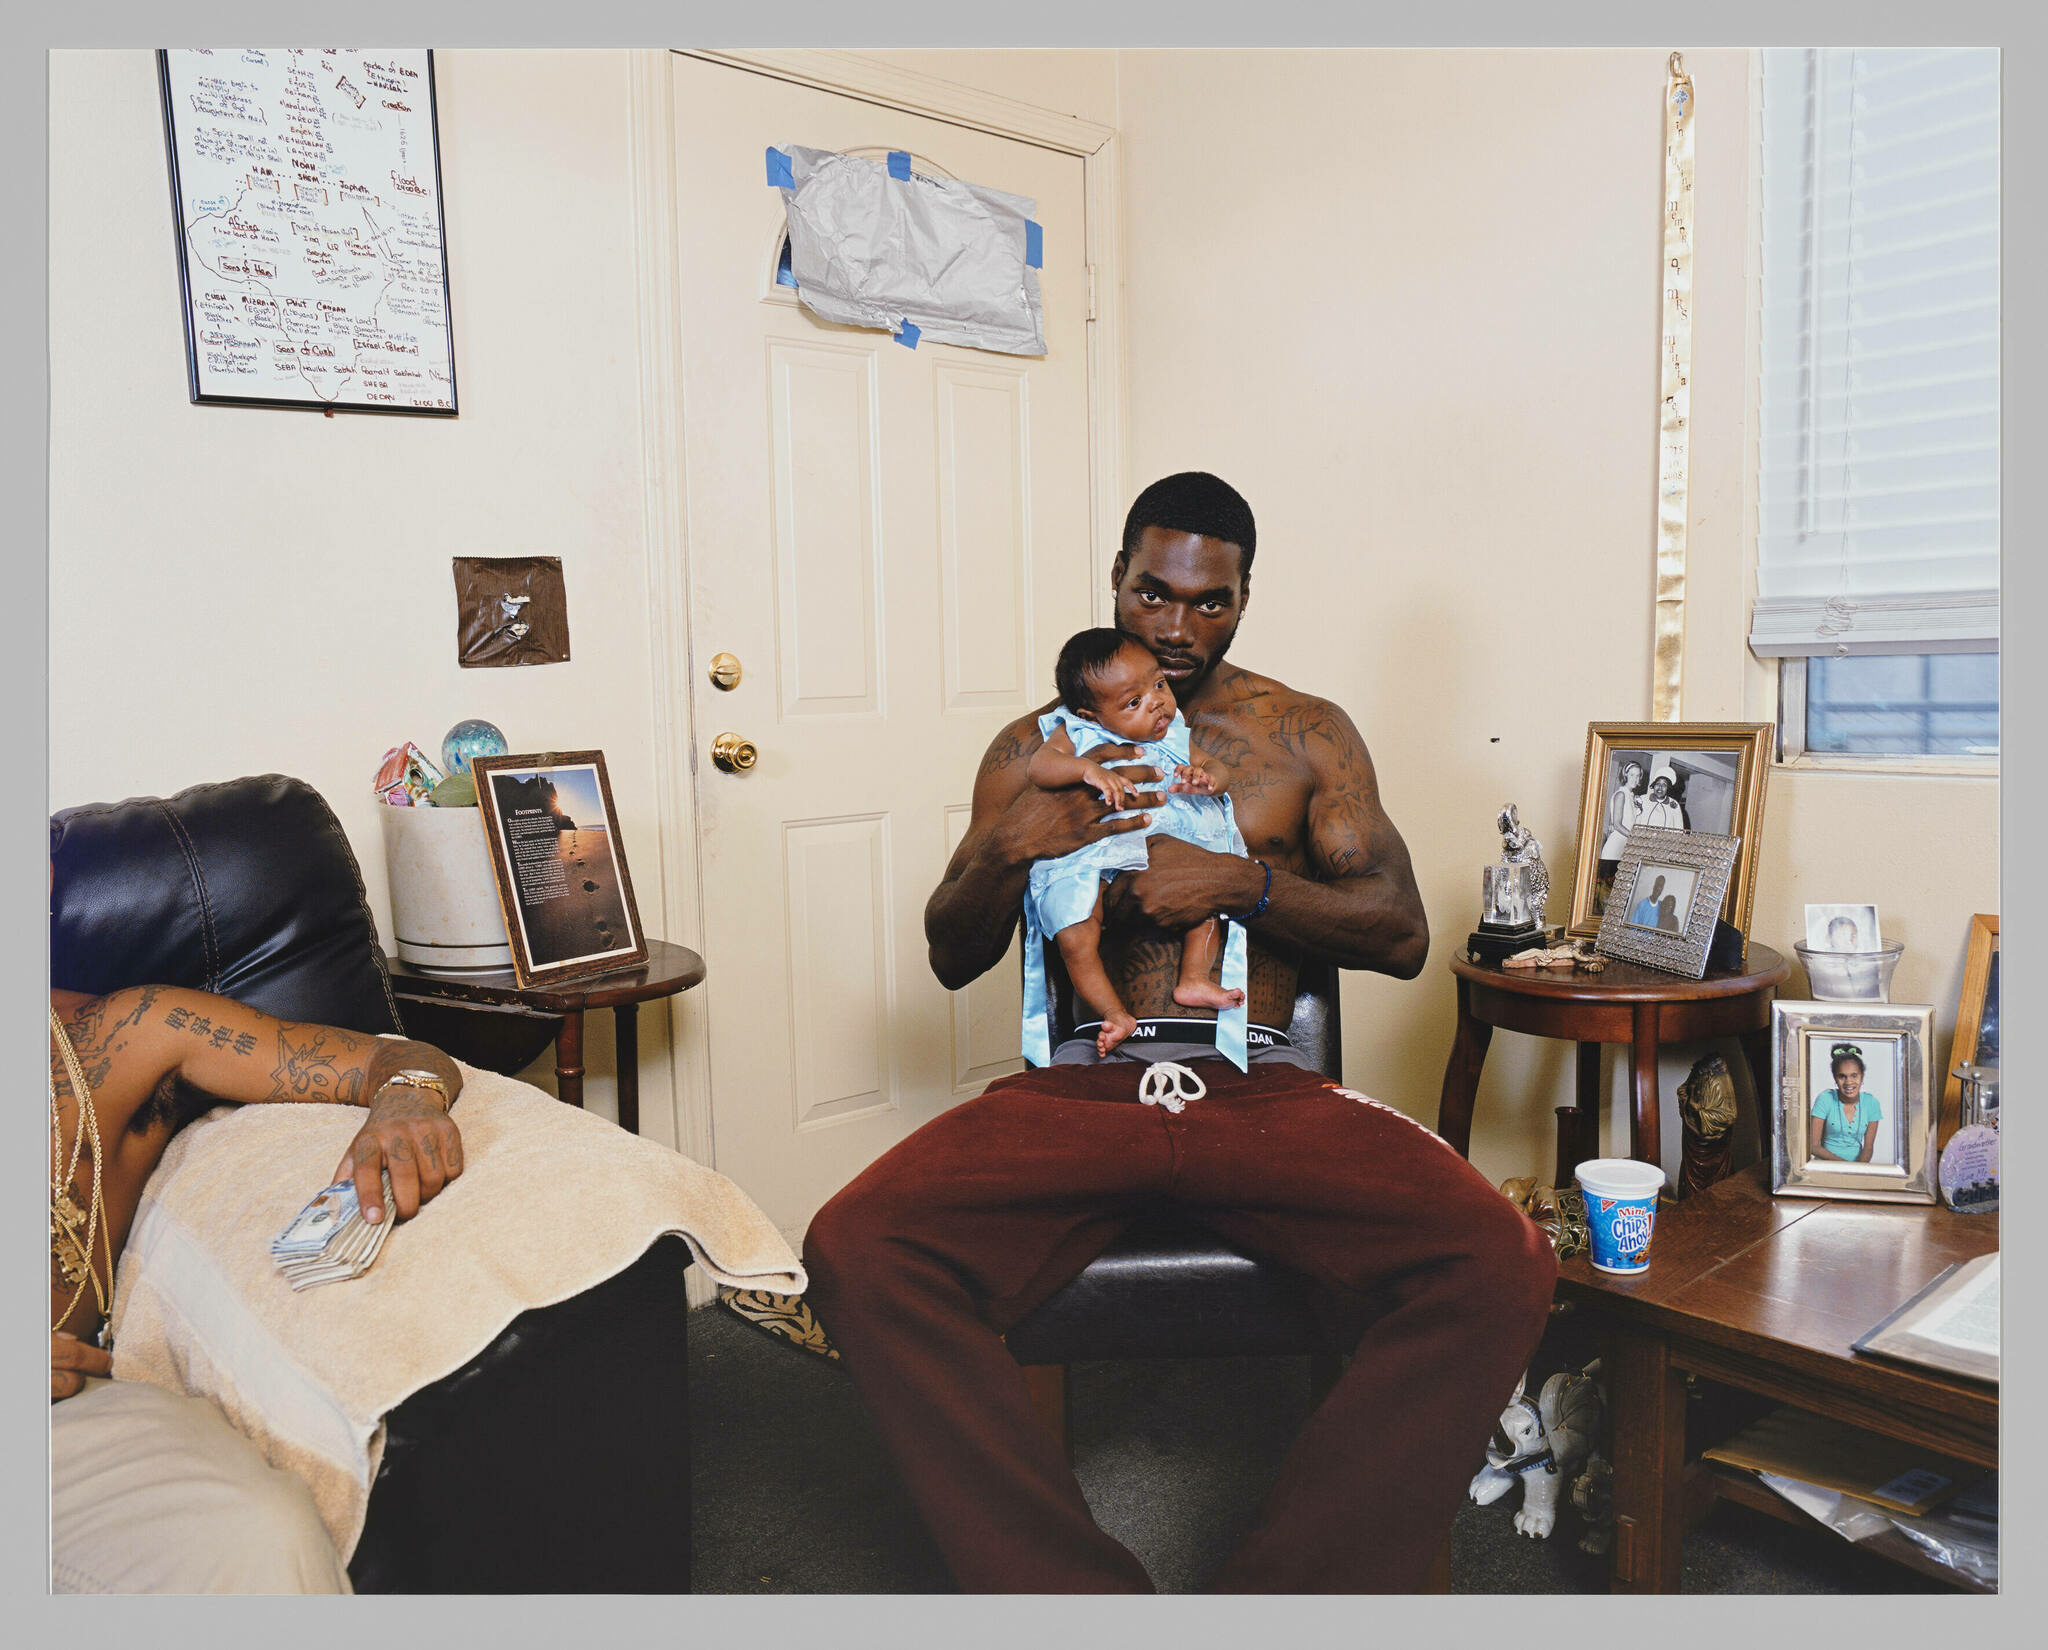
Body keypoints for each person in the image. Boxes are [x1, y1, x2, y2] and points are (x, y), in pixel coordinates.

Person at [801, 471, 1557, 1593]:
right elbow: (949, 952)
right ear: (1116, 578)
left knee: (1499, 1259)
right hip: (1082, 1086)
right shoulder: (1033, 746)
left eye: (1211, 603)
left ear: (1245, 597)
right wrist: (1011, 846)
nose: (1177, 627)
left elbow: (1398, 932)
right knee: (855, 1246)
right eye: (1154, 595)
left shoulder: (1301, 734)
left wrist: (1242, 884)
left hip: (1255, 1084)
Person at [50, 963, 466, 1593]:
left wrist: (404, 1101)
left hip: (65, 1429)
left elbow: (396, 1059)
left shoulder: (129, 1032)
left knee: (263, 1537)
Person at [1024, 627, 1244, 1062]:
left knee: (1207, 903)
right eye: (1133, 702)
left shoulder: (1176, 733)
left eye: (1158, 684)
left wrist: (1209, 777)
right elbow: (1041, 767)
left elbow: (1213, 764)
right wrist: (1086, 771)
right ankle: (1114, 1013)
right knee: (1075, 929)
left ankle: (1195, 978)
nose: (1157, 702)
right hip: (1098, 847)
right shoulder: (1076, 732)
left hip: (1172, 844)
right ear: (1091, 715)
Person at [1809, 1044, 1882, 1163]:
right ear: (1835, 1078)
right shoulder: (1825, 1098)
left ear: (1862, 1076)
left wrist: (1857, 1171)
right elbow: (1813, 1146)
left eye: (1854, 1075)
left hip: (1858, 1170)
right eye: (1842, 1076)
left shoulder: (1871, 1103)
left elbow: (1868, 1148)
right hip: (1825, 1168)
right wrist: (1845, 1167)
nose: (1848, 1082)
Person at [1597, 759, 1646, 859]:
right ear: (1626, 775)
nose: (1634, 779)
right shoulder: (1621, 794)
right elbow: (1617, 825)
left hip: (1625, 844)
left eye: (1637, 776)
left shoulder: (1631, 796)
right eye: (1632, 775)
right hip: (1615, 845)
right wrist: (1635, 839)